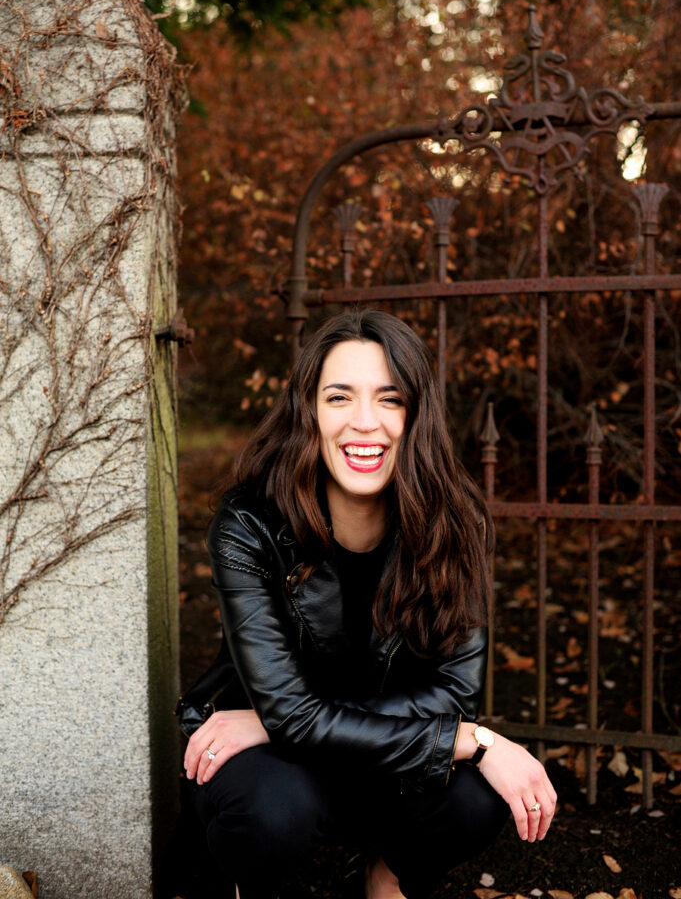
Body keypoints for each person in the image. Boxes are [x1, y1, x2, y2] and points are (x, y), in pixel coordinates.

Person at [178, 309, 556, 899]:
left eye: (389, 399)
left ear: (416, 416)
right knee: (271, 814)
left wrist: (279, 720)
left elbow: (454, 694)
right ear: (308, 412)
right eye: (339, 397)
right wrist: (474, 740)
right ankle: (257, 884)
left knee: (478, 799)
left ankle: (389, 876)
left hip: (324, 748)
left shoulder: (458, 522)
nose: (365, 423)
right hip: (270, 769)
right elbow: (452, 721)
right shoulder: (249, 525)